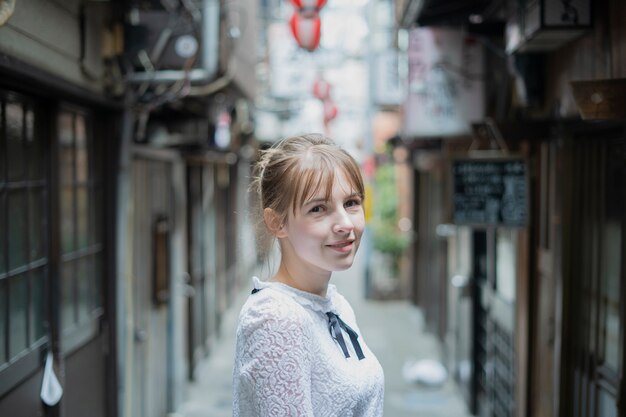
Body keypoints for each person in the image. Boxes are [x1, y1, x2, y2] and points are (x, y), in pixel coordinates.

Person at [232, 134, 385, 416]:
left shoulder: (334, 305)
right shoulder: (276, 318)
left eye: (351, 203)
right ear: (277, 222)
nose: (344, 224)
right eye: (318, 209)